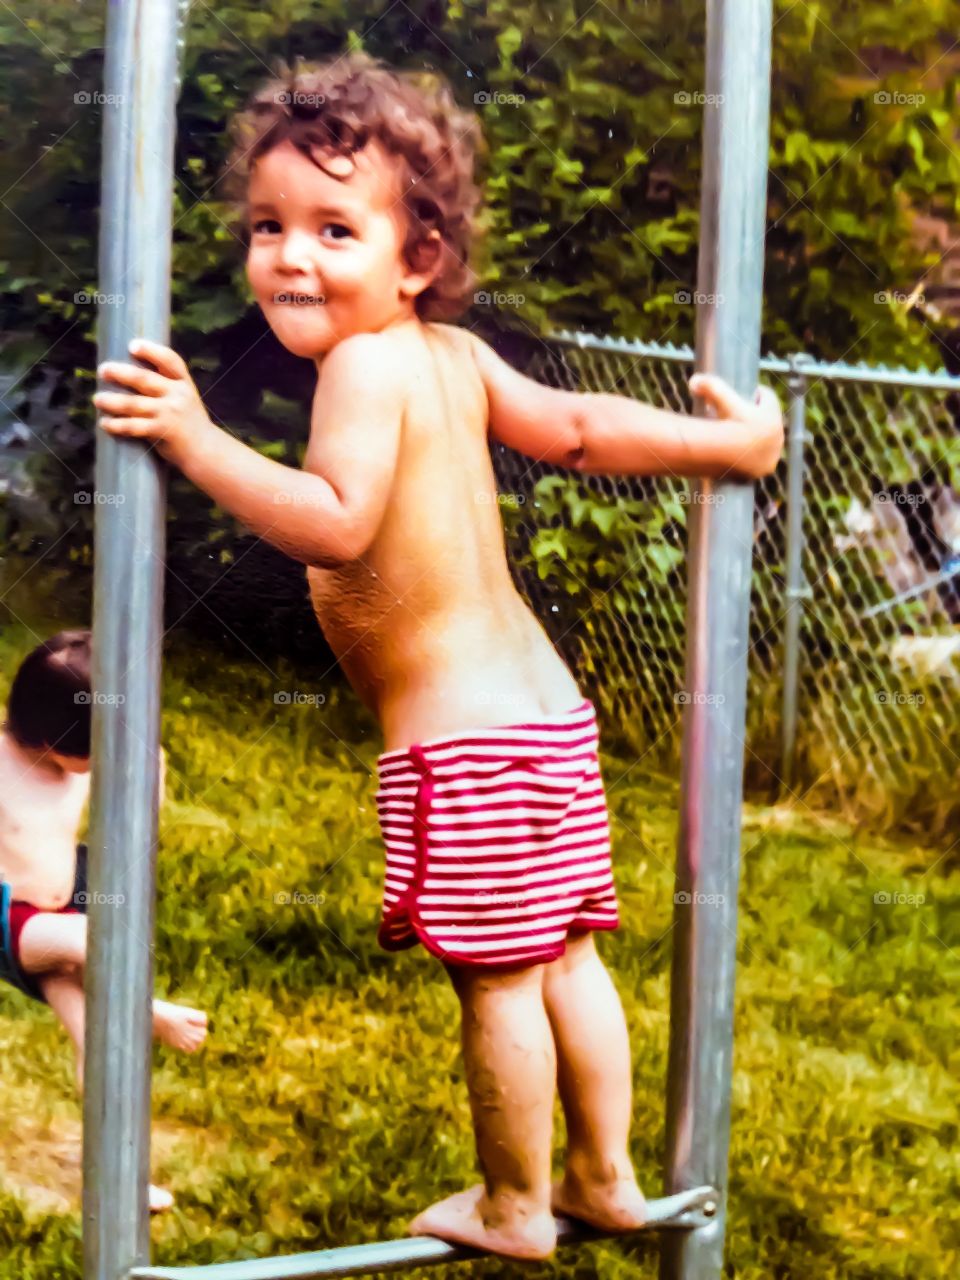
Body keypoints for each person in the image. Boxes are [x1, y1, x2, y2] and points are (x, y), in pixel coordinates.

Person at [92, 51, 784, 1258]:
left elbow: (338, 517)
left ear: (416, 259)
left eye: (332, 228)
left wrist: (194, 439)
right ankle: (607, 1173)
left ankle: (517, 1201)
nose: (291, 256)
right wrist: (726, 447)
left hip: (463, 745)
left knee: (499, 981)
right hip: (546, 721)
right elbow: (576, 429)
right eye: (268, 225)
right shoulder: (455, 362)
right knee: (565, 955)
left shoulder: (362, 367)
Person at [0, 629, 208, 1212]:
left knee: (101, 1041)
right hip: (9, 920)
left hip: (63, 917)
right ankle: (152, 1012)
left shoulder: (79, 758)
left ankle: (119, 1180)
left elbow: (144, 799)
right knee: (96, 938)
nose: (104, 762)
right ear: (47, 735)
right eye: (97, 750)